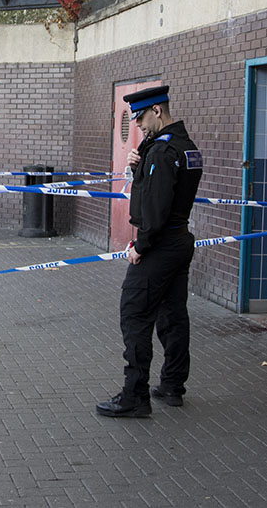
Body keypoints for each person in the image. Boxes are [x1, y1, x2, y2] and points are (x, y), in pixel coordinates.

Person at [97, 85, 203, 418]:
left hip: (159, 245)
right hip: (180, 240)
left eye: (141, 118)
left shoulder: (161, 152)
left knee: (135, 315)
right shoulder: (185, 147)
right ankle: (172, 385)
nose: (139, 125)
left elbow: (154, 209)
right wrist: (136, 167)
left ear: (157, 110)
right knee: (173, 315)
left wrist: (139, 247)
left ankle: (134, 396)